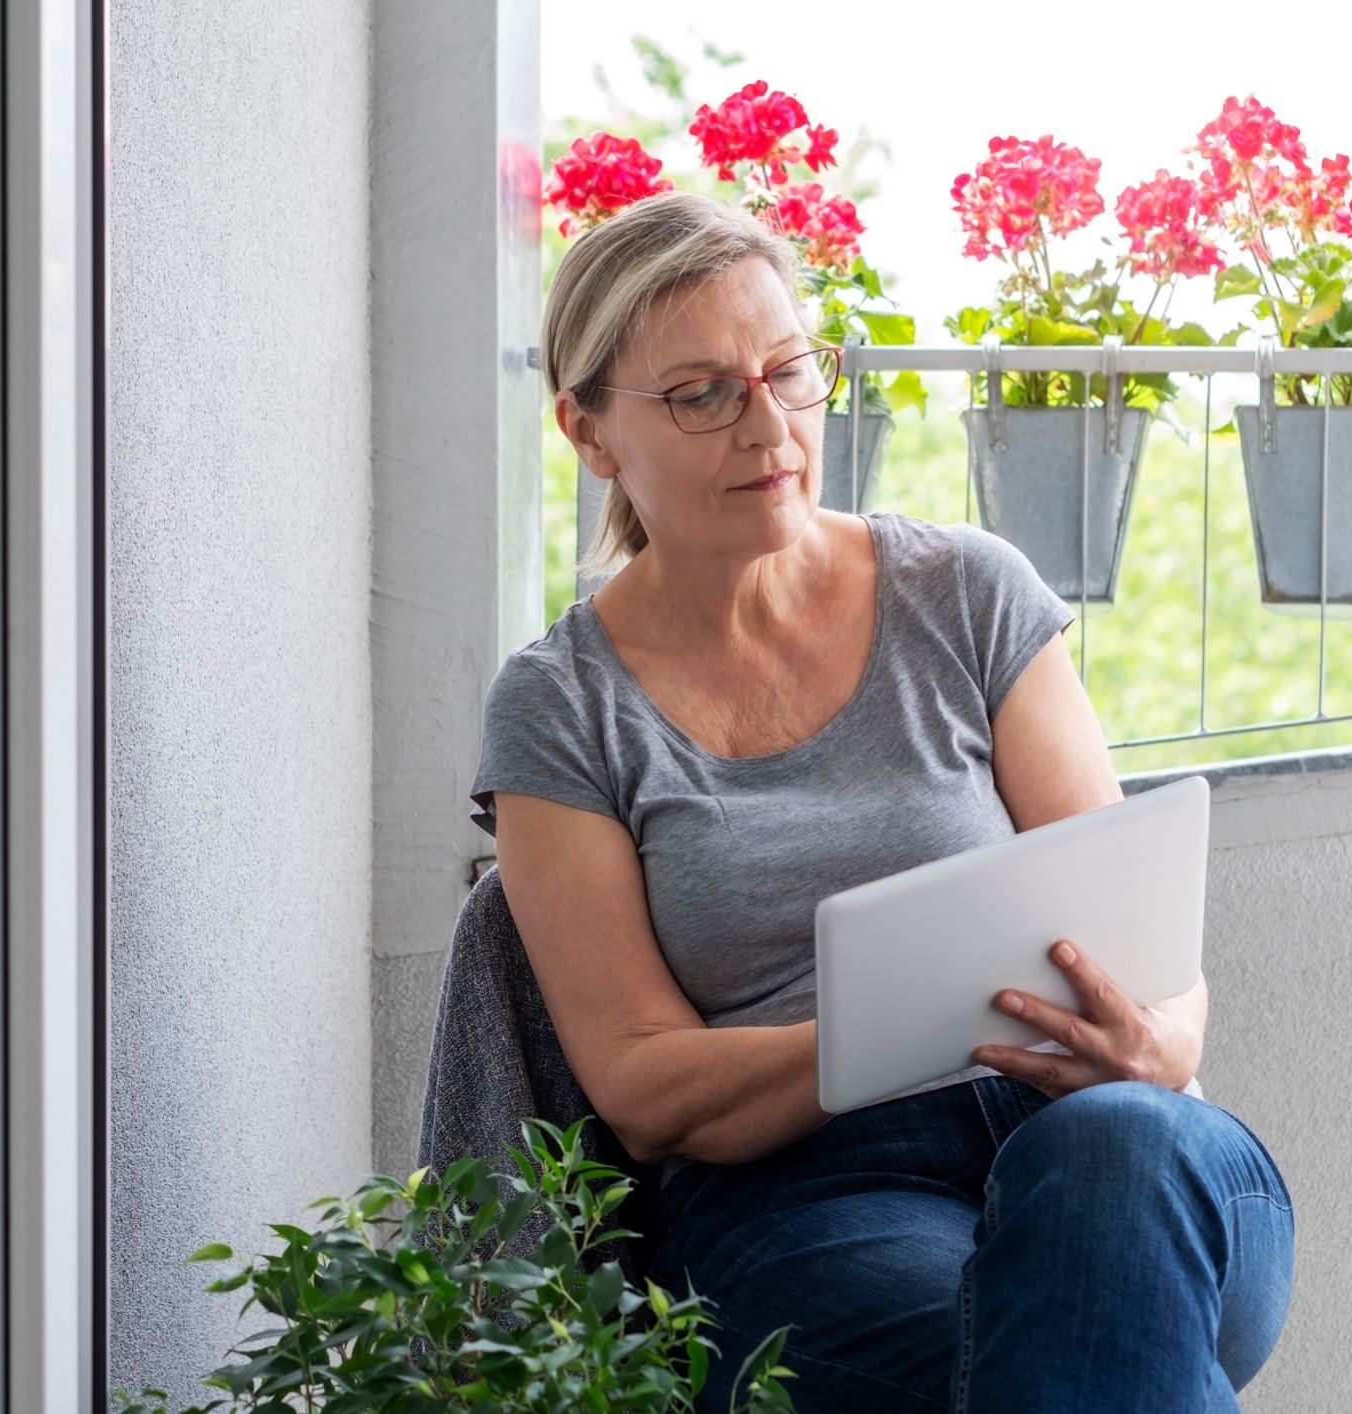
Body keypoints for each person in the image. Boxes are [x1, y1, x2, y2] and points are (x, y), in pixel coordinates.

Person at [468, 192, 1293, 1412]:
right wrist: (904, 1024)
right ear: (589, 433)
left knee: (1109, 1166)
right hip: (808, 1193)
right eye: (703, 395)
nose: (771, 427)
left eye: (789, 371)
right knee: (1070, 1347)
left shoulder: (966, 591)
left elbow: (1142, 937)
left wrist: (1161, 1044)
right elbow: (643, 1087)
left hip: (1117, 1139)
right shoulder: (560, 706)